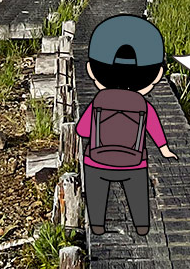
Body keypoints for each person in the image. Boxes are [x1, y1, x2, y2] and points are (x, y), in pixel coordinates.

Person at [75, 14, 175, 237]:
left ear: (92, 70)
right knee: (138, 196)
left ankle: (98, 226)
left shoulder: (98, 101)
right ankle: (142, 225)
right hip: (134, 163)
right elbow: (155, 128)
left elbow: (82, 130)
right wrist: (164, 149)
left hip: (97, 160)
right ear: (157, 75)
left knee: (97, 195)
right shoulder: (142, 103)